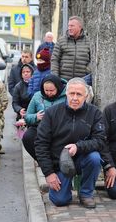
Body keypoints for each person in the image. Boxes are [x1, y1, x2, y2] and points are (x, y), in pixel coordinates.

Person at [35, 78, 105, 208]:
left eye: (79, 94)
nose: (74, 98)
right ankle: (64, 187)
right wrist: (49, 173)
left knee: (95, 158)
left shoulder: (95, 113)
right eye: (71, 93)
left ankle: (86, 194)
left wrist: (78, 147)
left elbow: (100, 141)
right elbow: (41, 144)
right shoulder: (52, 113)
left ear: (86, 96)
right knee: (60, 200)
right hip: (59, 164)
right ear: (66, 94)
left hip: (82, 159)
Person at [23, 75, 67, 160]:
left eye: (52, 90)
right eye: (46, 90)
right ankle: (42, 161)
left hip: (59, 128)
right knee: (28, 137)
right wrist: (36, 117)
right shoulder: (37, 96)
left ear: (58, 88)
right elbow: (27, 117)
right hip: (41, 127)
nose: (49, 93)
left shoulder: (66, 96)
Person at [51, 16, 91, 81]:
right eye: (69, 26)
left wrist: (87, 70)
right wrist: (55, 77)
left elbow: (93, 59)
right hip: (63, 81)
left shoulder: (89, 41)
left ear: (80, 27)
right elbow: (54, 59)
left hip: (83, 80)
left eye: (72, 26)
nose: (69, 28)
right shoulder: (61, 41)